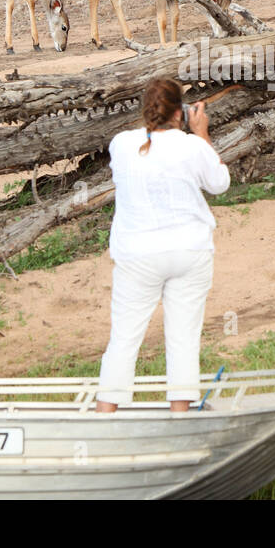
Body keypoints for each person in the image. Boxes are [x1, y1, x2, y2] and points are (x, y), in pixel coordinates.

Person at [97, 77, 230, 413]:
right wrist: (201, 133)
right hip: (189, 250)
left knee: (124, 339)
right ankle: (179, 419)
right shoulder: (192, 145)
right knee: (183, 339)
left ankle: (104, 418)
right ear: (179, 113)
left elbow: (141, 154)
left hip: (137, 254)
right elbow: (220, 183)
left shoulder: (121, 144)